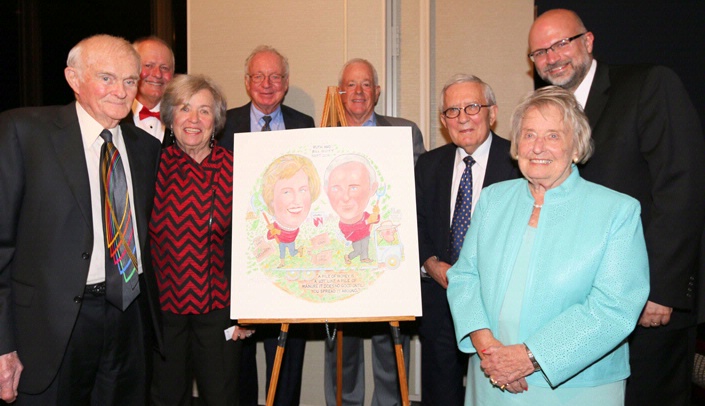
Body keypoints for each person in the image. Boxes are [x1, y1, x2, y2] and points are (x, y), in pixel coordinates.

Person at [528, 9, 705, 405]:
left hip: (646, 304)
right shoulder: (546, 114)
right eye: (539, 52)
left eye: (561, 44)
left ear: (588, 41)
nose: (551, 58)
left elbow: (682, 188)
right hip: (578, 306)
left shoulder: (648, 85)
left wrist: (661, 289)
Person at [447, 86, 650, 405]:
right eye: (528, 135)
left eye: (553, 135)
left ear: (576, 146)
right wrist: (489, 350)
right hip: (490, 376)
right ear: (516, 144)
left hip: (575, 387)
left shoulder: (616, 212)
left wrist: (529, 357)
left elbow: (614, 307)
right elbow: (464, 277)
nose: (538, 147)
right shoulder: (493, 200)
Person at [0, 34, 162, 404]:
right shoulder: (24, 134)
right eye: (106, 78)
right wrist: (2, 345)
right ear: (73, 78)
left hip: (130, 319)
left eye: (130, 80)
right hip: (50, 328)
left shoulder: (145, 149)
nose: (120, 91)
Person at [323, 58, 425, 406]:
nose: (358, 92)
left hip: (387, 255)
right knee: (342, 348)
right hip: (341, 256)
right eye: (350, 84)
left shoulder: (405, 132)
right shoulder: (322, 138)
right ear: (340, 93)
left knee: (390, 344)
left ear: (378, 91)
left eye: (366, 84)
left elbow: (419, 193)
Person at [415, 74, 518, 405]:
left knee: (495, 387)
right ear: (444, 120)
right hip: (439, 299)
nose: (462, 118)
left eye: (472, 107)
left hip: (498, 302)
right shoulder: (428, 165)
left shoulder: (519, 162)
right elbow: (415, 223)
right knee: (440, 390)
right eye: (452, 111)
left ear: (492, 112)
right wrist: (430, 263)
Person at [219, 45, 313, 406]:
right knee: (240, 360)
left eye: (275, 76)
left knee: (286, 357)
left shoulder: (304, 124)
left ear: (286, 83)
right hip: (238, 261)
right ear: (246, 82)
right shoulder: (223, 124)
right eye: (259, 76)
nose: (267, 83)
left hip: (290, 258)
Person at [149, 73, 250, 405]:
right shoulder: (149, 166)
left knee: (221, 397)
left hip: (219, 313)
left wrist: (246, 312)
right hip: (163, 315)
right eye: (184, 108)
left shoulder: (239, 169)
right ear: (170, 116)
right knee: (166, 398)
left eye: (204, 111)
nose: (193, 119)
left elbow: (254, 245)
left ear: (216, 119)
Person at [262, 154, 321, 268]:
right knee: (284, 252)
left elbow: (290, 233)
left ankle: (296, 253)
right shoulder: (276, 225)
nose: (297, 200)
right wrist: (273, 232)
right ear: (271, 199)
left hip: (289, 242)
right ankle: (283, 262)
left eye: (303, 190)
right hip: (282, 244)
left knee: (292, 252)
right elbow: (270, 236)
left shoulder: (299, 229)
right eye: (286, 192)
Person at [123, 36, 175, 146]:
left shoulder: (181, 119)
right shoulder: (114, 117)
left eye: (164, 68)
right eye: (148, 65)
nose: (157, 74)